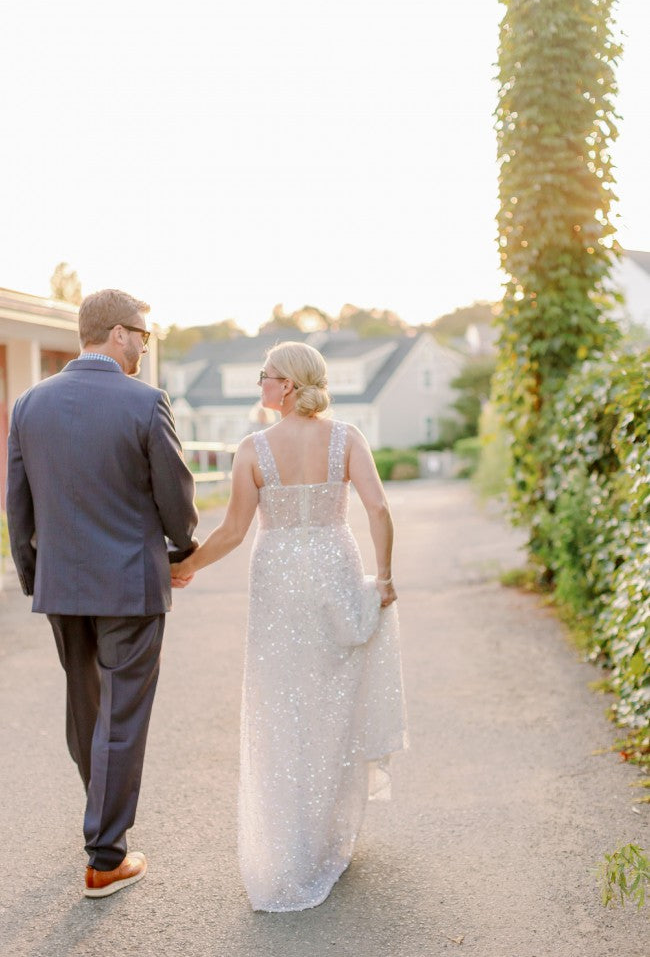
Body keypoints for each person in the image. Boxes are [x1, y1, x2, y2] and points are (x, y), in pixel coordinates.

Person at [172, 340, 407, 911]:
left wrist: (188, 566)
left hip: (279, 579)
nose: (259, 384)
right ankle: (327, 838)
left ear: (291, 385)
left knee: (284, 708)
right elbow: (378, 509)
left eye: (265, 376)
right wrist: (384, 576)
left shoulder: (253, 449)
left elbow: (231, 532)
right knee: (332, 705)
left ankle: (294, 845)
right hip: (334, 569)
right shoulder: (348, 438)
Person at [6, 288, 198, 898]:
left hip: (62, 584)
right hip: (129, 584)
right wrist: (181, 548)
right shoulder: (145, 402)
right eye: (142, 332)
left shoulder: (27, 404)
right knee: (119, 713)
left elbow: (17, 504)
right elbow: (176, 497)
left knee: (85, 708)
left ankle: (101, 822)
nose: (145, 343)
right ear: (117, 333)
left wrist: (34, 575)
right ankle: (106, 855)